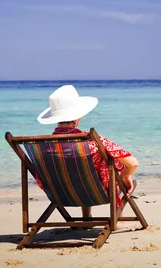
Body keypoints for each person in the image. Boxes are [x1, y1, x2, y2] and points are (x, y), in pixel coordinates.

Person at [36, 85, 138, 218]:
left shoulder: (44, 146)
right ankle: (117, 220)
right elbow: (133, 163)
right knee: (95, 173)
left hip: (62, 195)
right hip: (97, 193)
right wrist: (124, 177)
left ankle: (86, 217)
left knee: (78, 172)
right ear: (77, 117)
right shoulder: (92, 141)